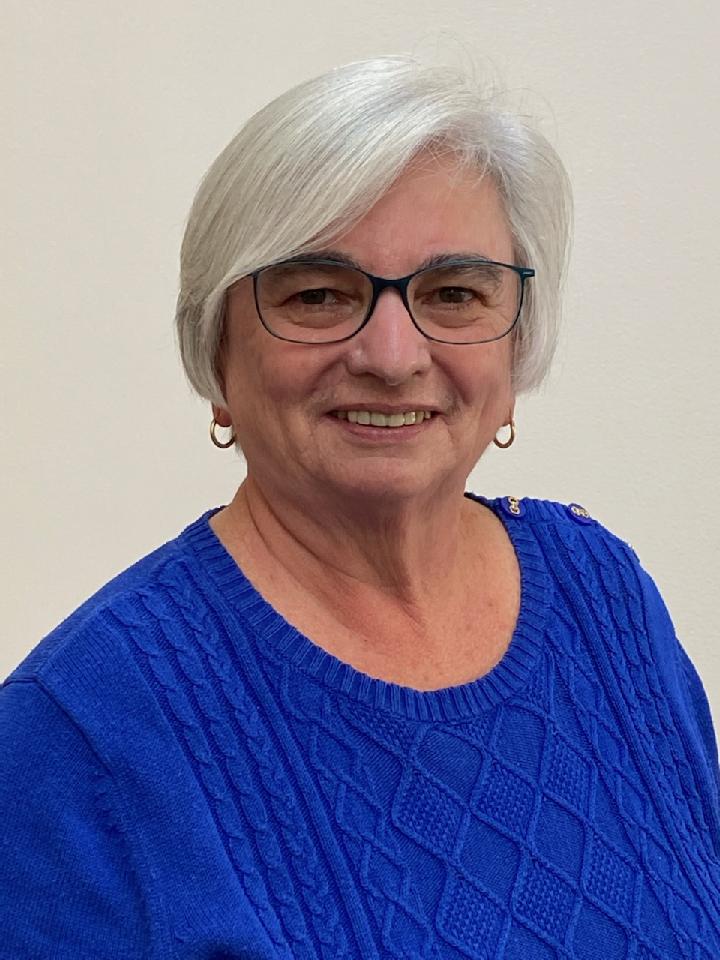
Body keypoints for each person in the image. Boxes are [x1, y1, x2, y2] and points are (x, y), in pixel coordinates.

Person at [1, 56, 718, 960]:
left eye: (453, 293)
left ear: (516, 348)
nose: (390, 353)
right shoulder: (78, 733)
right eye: (317, 294)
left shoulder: (603, 598)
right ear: (217, 350)